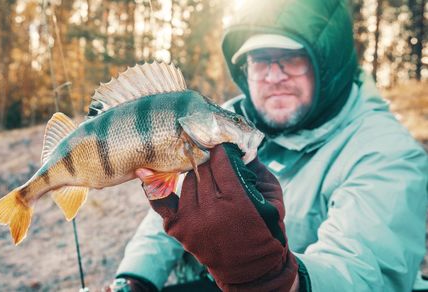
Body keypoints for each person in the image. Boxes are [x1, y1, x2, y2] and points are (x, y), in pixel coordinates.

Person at [107, 0, 428, 291]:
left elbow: (367, 269)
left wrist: (274, 279)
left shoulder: (388, 152)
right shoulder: (224, 122)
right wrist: (136, 278)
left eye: (291, 58)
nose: (274, 76)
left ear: (327, 63)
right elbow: (175, 205)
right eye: (260, 62)